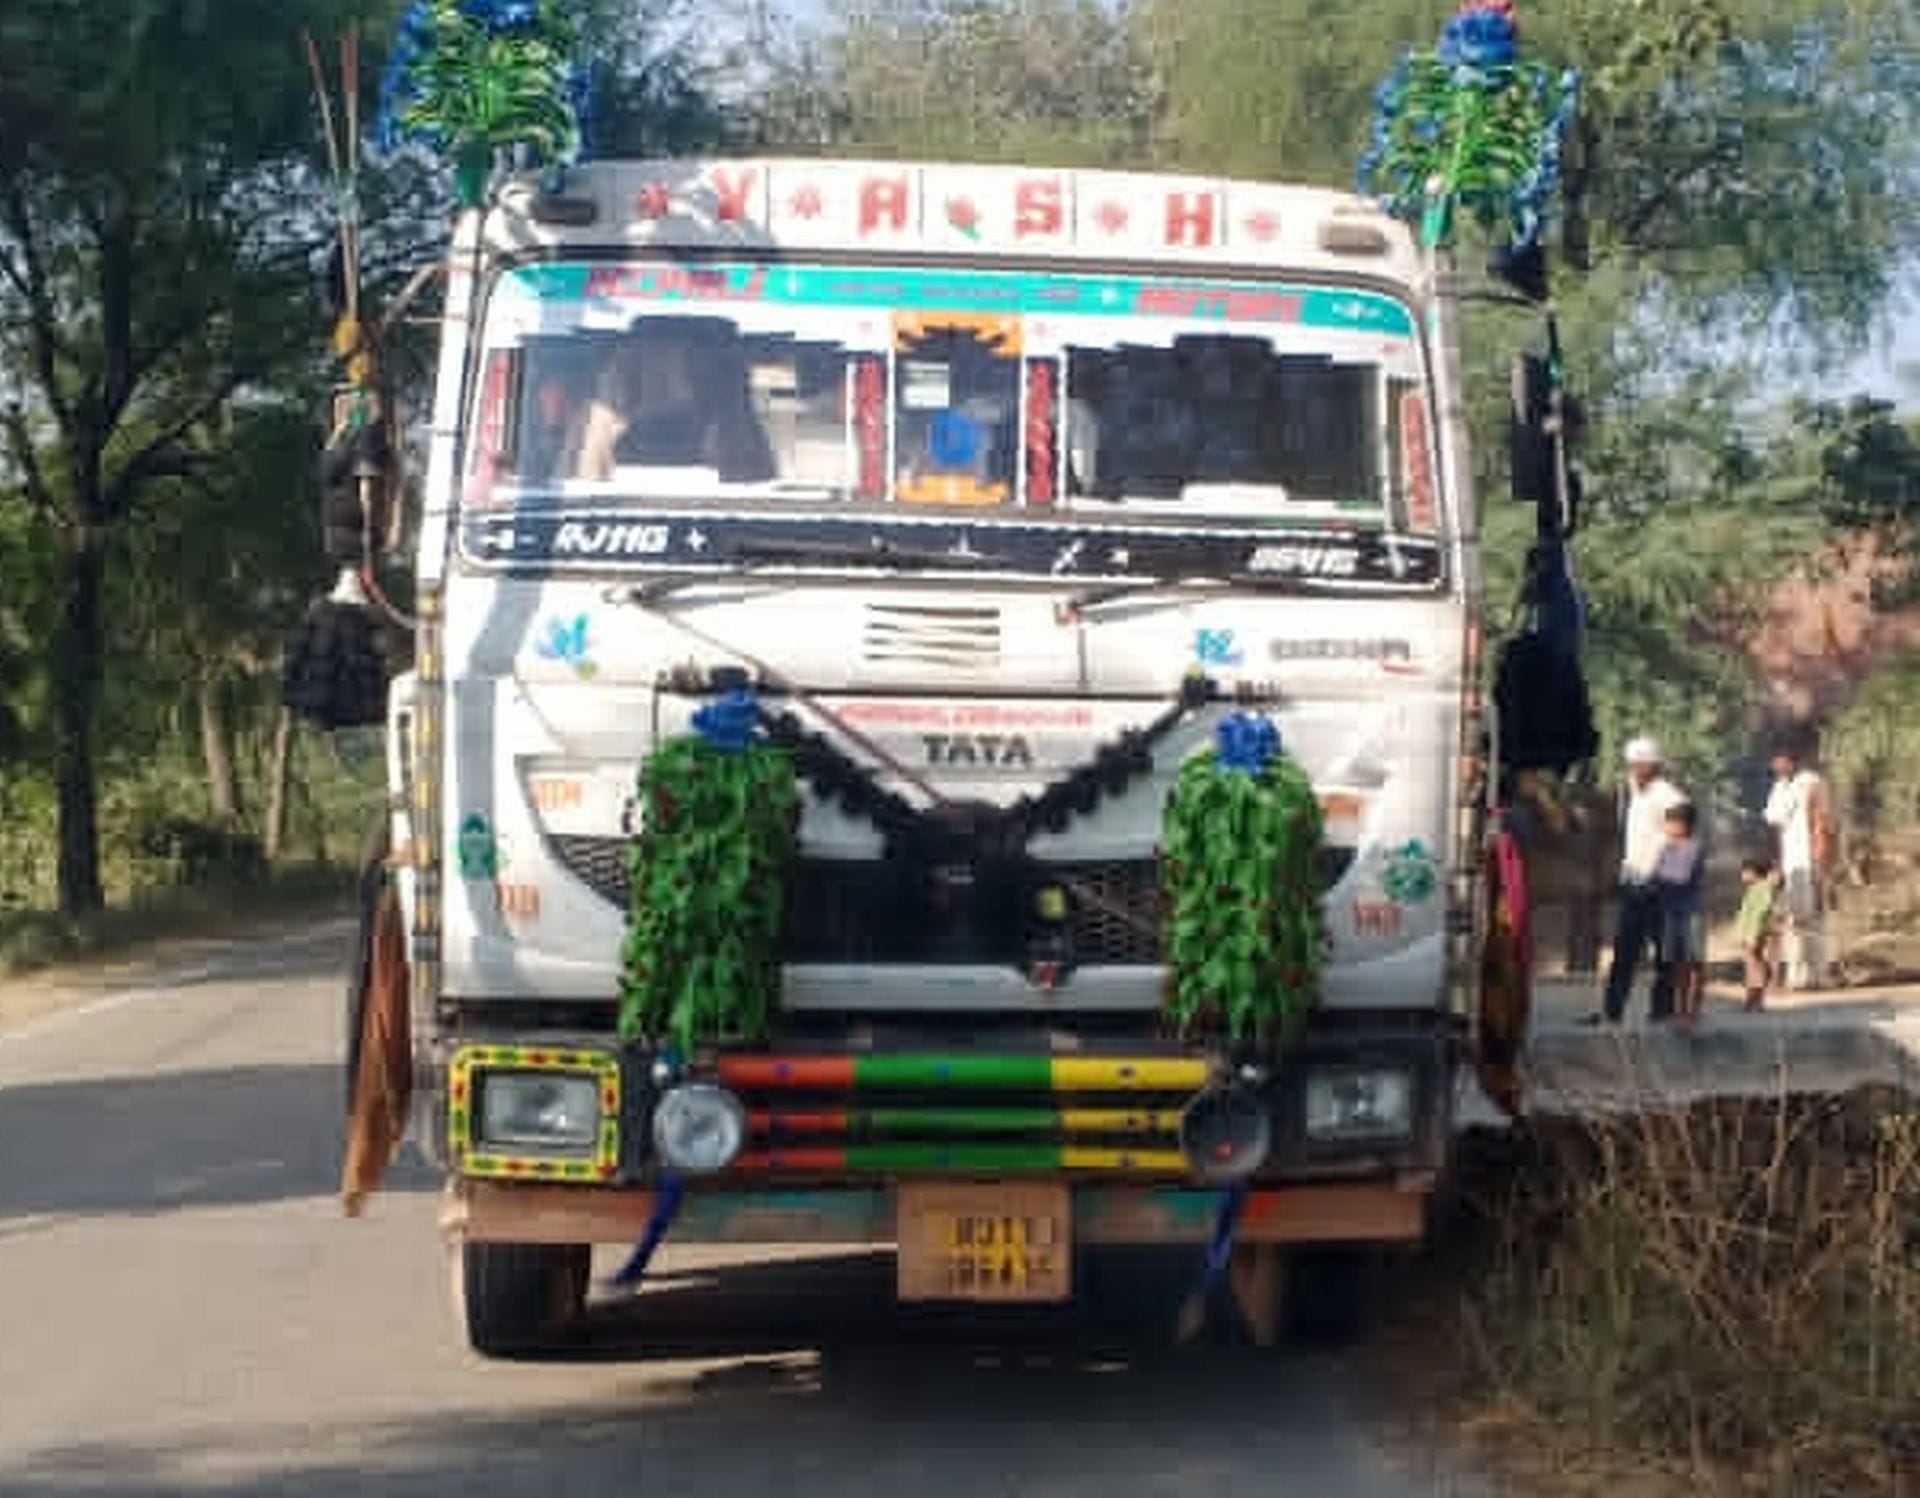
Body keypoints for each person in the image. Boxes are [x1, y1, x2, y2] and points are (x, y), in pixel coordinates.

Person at [1592, 736, 1687, 1025]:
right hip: (1634, 884)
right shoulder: (1636, 792)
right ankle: (1611, 1012)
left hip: (1658, 886)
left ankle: (1662, 1011)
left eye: (1638, 765)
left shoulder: (1669, 796)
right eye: (1630, 764)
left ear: (1653, 765)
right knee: (1624, 952)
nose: (1633, 770)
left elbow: (1681, 838)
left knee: (1664, 954)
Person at [1763, 741, 1832, 990]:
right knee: (1792, 920)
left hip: (1808, 859)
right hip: (1790, 862)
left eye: (1780, 760)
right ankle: (1796, 975)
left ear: (1792, 761)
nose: (1776, 765)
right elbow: (1777, 828)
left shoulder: (1811, 783)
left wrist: (1819, 864)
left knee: (1813, 918)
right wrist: (1778, 864)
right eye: (1774, 761)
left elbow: (1821, 826)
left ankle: (1819, 976)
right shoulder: (1779, 788)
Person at [1653, 800, 1705, 1027]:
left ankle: (1693, 1010)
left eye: (1671, 823)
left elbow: (1680, 876)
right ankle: (1680, 1008)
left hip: (1690, 912)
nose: (1668, 828)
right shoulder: (1667, 847)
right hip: (1670, 911)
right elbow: (1659, 874)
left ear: (1684, 825)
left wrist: (1659, 879)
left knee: (1694, 962)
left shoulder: (1694, 847)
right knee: (1676, 963)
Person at [1734, 854, 1779, 1012]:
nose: (1742, 875)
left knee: (1754, 968)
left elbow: (1760, 914)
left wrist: (1752, 937)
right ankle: (1751, 999)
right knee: (1751, 968)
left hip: (1753, 936)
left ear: (1754, 872)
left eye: (1744, 872)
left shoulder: (1762, 889)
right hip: (1748, 936)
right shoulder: (1754, 889)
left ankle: (1757, 1000)